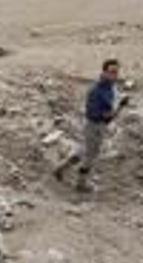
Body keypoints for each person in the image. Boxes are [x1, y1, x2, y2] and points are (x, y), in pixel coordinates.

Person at [53, 59, 128, 192]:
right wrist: (115, 110)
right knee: (90, 156)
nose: (115, 75)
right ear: (103, 72)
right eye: (111, 72)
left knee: (83, 151)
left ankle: (60, 169)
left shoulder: (109, 87)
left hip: (97, 126)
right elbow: (94, 114)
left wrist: (115, 109)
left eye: (116, 72)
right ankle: (81, 183)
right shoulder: (96, 91)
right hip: (94, 127)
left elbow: (108, 113)